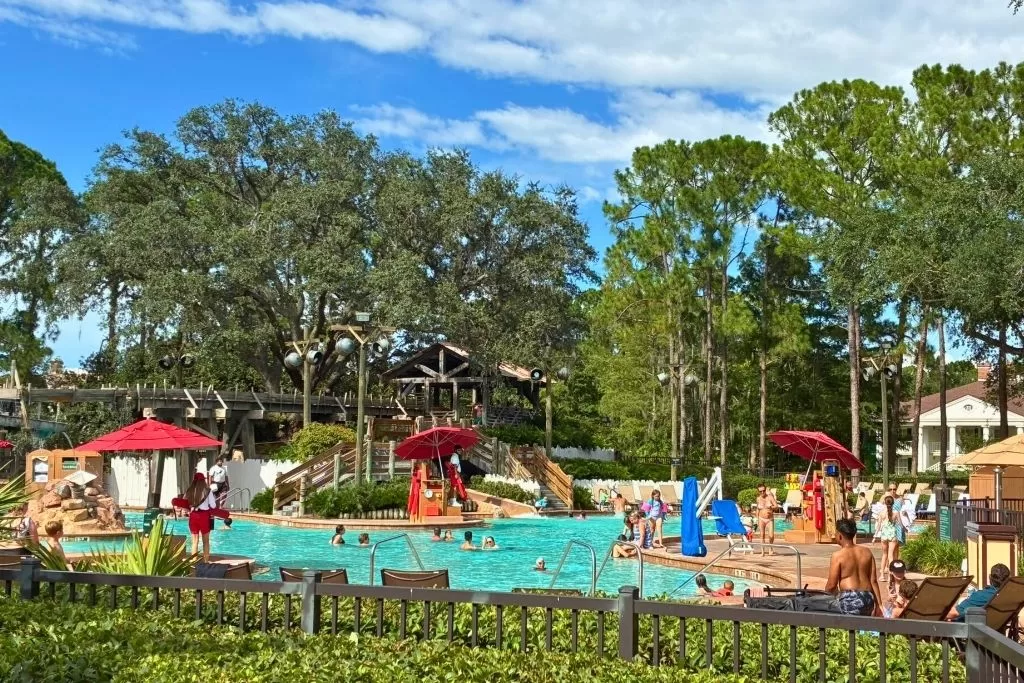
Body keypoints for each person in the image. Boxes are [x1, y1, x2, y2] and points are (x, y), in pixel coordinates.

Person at [823, 518, 883, 616]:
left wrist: (824, 598)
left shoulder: (838, 555)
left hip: (850, 598)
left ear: (840, 535)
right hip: (867, 597)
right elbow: (873, 581)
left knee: (849, 628)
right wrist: (879, 604)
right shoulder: (867, 552)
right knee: (863, 626)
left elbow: (831, 585)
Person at [171, 472, 230, 563]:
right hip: (204, 516)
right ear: (203, 481)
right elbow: (213, 506)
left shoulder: (189, 490)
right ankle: (206, 562)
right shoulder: (208, 491)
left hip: (193, 516)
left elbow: (185, 506)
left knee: (194, 541)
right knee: (205, 541)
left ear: (194, 480)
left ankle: (194, 562)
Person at [875, 496, 902, 582]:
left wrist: (874, 536)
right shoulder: (896, 513)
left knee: (884, 555)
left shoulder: (881, 513)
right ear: (893, 503)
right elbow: (900, 525)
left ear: (885, 503)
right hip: (892, 535)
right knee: (891, 556)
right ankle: (891, 576)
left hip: (884, 535)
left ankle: (882, 575)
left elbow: (878, 526)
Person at [755, 484, 778, 556]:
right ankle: (763, 552)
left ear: (765, 490)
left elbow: (776, 507)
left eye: (763, 491)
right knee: (762, 535)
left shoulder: (770, 497)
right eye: (760, 491)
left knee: (771, 535)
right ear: (758, 492)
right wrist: (756, 518)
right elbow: (757, 509)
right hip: (761, 518)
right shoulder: (758, 499)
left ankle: (770, 548)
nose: (762, 492)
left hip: (769, 519)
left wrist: (771, 507)